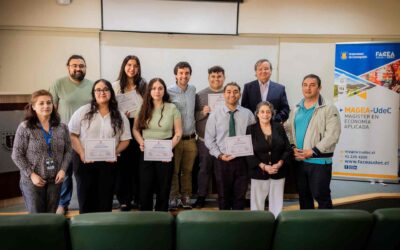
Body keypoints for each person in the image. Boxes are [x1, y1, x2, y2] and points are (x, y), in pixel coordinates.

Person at [68, 79, 131, 213]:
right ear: (93, 93)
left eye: (106, 89)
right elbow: (72, 134)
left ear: (111, 93)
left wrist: (114, 152)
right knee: (86, 199)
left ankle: (103, 228)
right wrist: (82, 153)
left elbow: (125, 140)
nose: (102, 92)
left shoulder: (119, 115)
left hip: (108, 162)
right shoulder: (83, 111)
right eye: (98, 90)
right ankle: (85, 229)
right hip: (84, 160)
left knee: (105, 199)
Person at [12, 90, 72, 213]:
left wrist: (63, 170)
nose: (46, 106)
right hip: (32, 181)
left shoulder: (62, 127)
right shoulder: (25, 127)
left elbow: (68, 151)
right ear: (33, 107)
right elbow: (17, 154)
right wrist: (31, 174)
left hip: (55, 180)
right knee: (37, 218)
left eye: (49, 102)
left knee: (51, 217)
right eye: (41, 103)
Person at [286, 74, 341, 209]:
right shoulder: (296, 108)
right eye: (305, 85)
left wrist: (313, 151)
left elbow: (333, 135)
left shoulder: (328, 107)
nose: (308, 88)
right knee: (304, 197)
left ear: (319, 87)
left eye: (312, 85)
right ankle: (307, 226)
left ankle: (326, 228)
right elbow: (290, 129)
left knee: (321, 196)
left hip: (319, 162)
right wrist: (292, 146)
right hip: (300, 161)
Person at [49, 54, 93, 215]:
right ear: (68, 67)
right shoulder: (58, 84)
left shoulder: (92, 85)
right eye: (74, 65)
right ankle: (63, 203)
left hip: (86, 136)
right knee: (65, 171)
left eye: (81, 65)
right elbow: (51, 109)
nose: (78, 68)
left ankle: (87, 202)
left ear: (85, 68)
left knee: (84, 171)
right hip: (64, 135)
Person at [133, 78, 182, 211]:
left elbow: (178, 132)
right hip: (146, 149)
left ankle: (161, 217)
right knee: (146, 186)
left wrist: (169, 147)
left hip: (165, 150)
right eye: (154, 88)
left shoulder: (172, 108)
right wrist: (141, 142)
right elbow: (135, 129)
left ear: (164, 90)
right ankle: (146, 217)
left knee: (163, 187)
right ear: (149, 91)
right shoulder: (142, 107)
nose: (157, 91)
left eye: (160, 88)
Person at [205, 82, 256, 210]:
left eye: (235, 92)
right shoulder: (215, 114)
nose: (232, 94)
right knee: (223, 196)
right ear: (224, 94)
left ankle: (237, 226)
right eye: (228, 92)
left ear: (240, 94)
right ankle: (224, 225)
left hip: (242, 161)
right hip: (222, 161)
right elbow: (209, 139)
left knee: (240, 197)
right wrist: (220, 155)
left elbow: (255, 137)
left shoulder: (248, 114)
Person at [112, 55, 147, 211]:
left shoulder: (144, 85)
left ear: (138, 68)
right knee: (123, 165)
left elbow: (148, 105)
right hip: (122, 126)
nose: (132, 68)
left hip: (140, 126)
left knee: (139, 164)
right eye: (129, 65)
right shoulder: (115, 86)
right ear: (124, 66)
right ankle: (124, 199)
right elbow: (110, 107)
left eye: (135, 65)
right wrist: (119, 114)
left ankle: (139, 198)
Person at [246, 101, 292, 217]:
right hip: (258, 172)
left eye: (268, 112)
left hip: (278, 172)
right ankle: (258, 226)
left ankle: (277, 227)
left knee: (277, 205)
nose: (265, 114)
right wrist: (264, 166)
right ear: (257, 114)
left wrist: (280, 163)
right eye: (262, 112)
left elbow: (287, 149)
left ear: (272, 114)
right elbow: (248, 152)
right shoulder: (251, 129)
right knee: (257, 206)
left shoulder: (279, 127)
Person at [193, 65, 225, 208]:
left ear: (224, 78)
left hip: (223, 142)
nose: (216, 79)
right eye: (213, 76)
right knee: (204, 169)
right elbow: (192, 117)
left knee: (221, 170)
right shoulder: (200, 95)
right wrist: (202, 113)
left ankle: (223, 197)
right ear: (208, 78)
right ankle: (201, 196)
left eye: (219, 76)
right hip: (204, 140)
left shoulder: (229, 92)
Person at [168, 61, 197, 210]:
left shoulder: (193, 90)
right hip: (175, 139)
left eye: (187, 73)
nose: (184, 76)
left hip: (191, 138)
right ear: (175, 75)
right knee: (174, 170)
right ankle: (173, 197)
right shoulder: (168, 91)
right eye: (181, 73)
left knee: (188, 171)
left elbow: (195, 112)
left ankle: (186, 197)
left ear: (190, 75)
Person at [241, 59, 290, 123]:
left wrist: (274, 120)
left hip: (273, 126)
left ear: (271, 71)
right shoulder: (248, 87)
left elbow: (285, 110)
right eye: (260, 69)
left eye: (266, 69)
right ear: (256, 72)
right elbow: (244, 108)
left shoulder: (280, 88)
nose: (263, 71)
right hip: (253, 126)